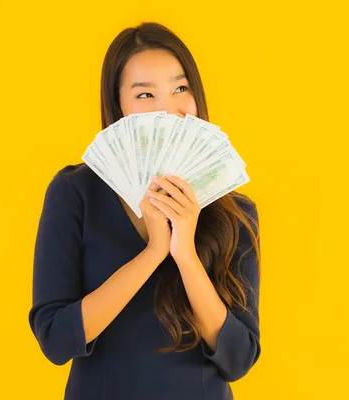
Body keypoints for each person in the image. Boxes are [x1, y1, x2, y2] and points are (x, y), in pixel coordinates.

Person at [28, 22, 261, 400]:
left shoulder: (234, 211)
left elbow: (238, 359)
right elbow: (55, 339)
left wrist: (184, 255)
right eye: (145, 94)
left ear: (197, 96)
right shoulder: (75, 193)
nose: (167, 110)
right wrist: (154, 252)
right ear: (118, 105)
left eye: (180, 88)